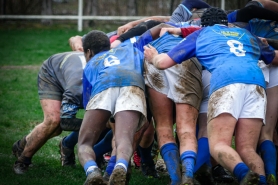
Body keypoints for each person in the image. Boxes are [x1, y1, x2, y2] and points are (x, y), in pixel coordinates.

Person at [144, 7, 278, 185]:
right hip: (256, 84)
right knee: (247, 149)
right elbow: (274, 58)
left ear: (203, 25)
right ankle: (261, 180)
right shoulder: (245, 34)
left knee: (218, 145)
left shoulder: (201, 34)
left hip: (226, 81)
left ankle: (245, 174)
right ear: (227, 23)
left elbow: (163, 63)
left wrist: (153, 57)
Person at [79, 30, 148, 185]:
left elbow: (88, 102)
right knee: (124, 139)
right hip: (133, 83)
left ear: (89, 52)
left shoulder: (90, 64)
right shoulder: (129, 50)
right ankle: (121, 167)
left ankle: (92, 172)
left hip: (104, 85)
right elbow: (149, 30)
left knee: (84, 143)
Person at [12, 51, 86, 174]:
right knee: (54, 121)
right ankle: (22, 161)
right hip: (52, 73)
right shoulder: (77, 88)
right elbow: (65, 121)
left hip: (70, 73)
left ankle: (21, 145)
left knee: (55, 130)